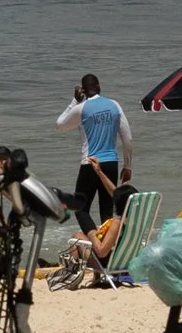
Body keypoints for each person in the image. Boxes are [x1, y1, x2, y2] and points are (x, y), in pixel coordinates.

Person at [57, 74, 133, 224]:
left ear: (83, 91)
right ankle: (108, 245)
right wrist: (128, 166)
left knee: (80, 209)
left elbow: (60, 125)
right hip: (111, 164)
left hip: (90, 164)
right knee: (107, 210)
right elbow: (128, 139)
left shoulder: (81, 108)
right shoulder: (115, 105)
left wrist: (74, 101)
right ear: (99, 87)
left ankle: (96, 242)